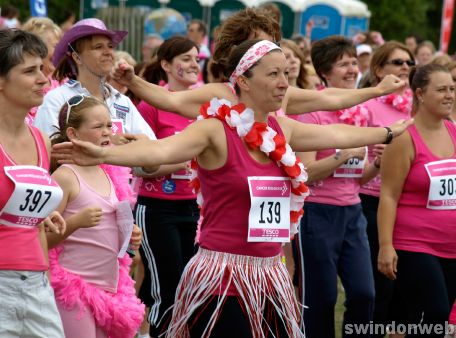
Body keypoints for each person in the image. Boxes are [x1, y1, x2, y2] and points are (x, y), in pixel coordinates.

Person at [53, 39, 413, 338]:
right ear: (242, 80)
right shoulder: (213, 129)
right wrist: (104, 152)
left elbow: (337, 133)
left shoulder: (281, 129)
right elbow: (160, 150)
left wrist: (388, 132)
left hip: (270, 276)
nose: (284, 83)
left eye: (286, 74)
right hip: (223, 277)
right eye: (273, 75)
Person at [112, 8, 405, 121]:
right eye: (258, 45)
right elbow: (168, 100)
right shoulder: (220, 93)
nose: (268, 52)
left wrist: (376, 91)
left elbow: (328, 97)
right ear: (237, 51)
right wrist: (132, 81)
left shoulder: (282, 95)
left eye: (272, 45)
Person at [293, 36, 380, 338]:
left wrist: (377, 165)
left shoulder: (362, 114)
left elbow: (356, 179)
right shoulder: (312, 113)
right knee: (322, 299)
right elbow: (303, 173)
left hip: (353, 213)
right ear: (325, 73)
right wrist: (341, 154)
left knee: (364, 293)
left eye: (354, 62)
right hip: (317, 214)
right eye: (343, 64)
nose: (352, 69)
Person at [47, 95, 144, 338]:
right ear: (73, 134)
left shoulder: (111, 173)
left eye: (109, 125)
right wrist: (75, 222)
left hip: (109, 290)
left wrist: (130, 234)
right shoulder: (66, 177)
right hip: (72, 288)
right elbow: (42, 239)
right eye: (98, 126)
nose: (107, 132)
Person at [378, 63, 456, 337]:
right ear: (420, 94)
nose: (449, 95)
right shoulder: (404, 138)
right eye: (442, 90)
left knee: (438, 318)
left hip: (451, 245)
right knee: (432, 314)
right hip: (415, 244)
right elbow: (388, 195)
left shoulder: (454, 132)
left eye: (452, 89)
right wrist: (386, 246)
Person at [0, 28, 65, 338]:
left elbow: (35, 225)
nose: (43, 78)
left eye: (42, 68)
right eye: (29, 71)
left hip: (38, 283)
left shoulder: (41, 139)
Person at [134, 36, 200, 338]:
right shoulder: (150, 106)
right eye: (185, 58)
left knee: (192, 286)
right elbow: (140, 164)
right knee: (168, 288)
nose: (192, 64)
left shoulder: (204, 106)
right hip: (157, 208)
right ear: (165, 64)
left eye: (196, 59)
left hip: (196, 208)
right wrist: (183, 159)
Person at [359, 41, 415, 335]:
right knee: (379, 287)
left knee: (404, 290)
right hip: (372, 203)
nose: (405, 67)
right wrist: (379, 161)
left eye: (409, 62)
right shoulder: (366, 108)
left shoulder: (418, 108)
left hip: (409, 206)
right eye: (397, 62)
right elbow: (353, 178)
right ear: (379, 70)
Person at [33, 18, 156, 141]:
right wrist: (114, 145)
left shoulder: (122, 101)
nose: (108, 52)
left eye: (110, 46)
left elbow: (151, 145)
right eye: (98, 47)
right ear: (77, 58)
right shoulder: (56, 100)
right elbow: (50, 151)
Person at [22, 17, 63, 124]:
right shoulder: (20, 88)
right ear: (35, 49)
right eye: (56, 46)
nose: (62, 53)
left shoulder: (64, 82)